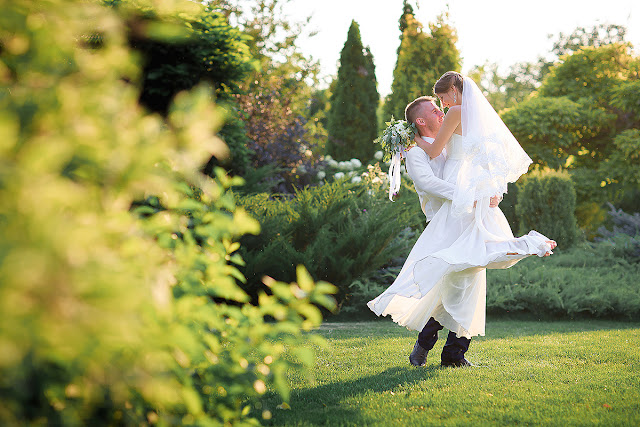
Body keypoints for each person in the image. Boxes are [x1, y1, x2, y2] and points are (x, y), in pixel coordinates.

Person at [368, 72, 557, 367]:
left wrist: (490, 193)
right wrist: (468, 196)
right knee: (459, 280)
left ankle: (450, 353)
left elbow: (481, 165)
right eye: (435, 108)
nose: (441, 109)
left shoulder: (452, 133)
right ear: (420, 122)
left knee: (468, 278)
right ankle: (438, 349)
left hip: (471, 209)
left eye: (441, 102)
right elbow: (430, 184)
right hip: (450, 219)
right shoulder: (417, 152)